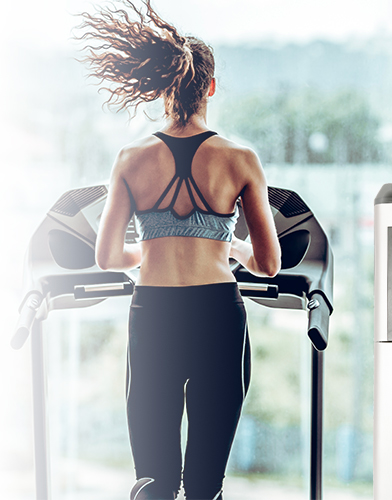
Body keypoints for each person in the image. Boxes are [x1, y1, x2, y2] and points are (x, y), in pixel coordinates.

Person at [77, 2, 280, 498]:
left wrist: (150, 250)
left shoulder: (131, 158)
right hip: (216, 311)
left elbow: (107, 257)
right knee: (206, 482)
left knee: (154, 480)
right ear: (210, 87)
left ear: (163, 87)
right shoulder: (239, 159)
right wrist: (227, 247)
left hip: (155, 312)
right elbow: (269, 263)